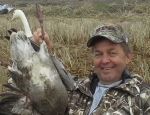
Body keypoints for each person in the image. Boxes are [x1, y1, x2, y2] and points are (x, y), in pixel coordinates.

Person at [32, 24, 150, 115]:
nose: (104, 60)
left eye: (112, 53)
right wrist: (42, 53)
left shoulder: (143, 98)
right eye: (98, 54)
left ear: (128, 57)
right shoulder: (76, 90)